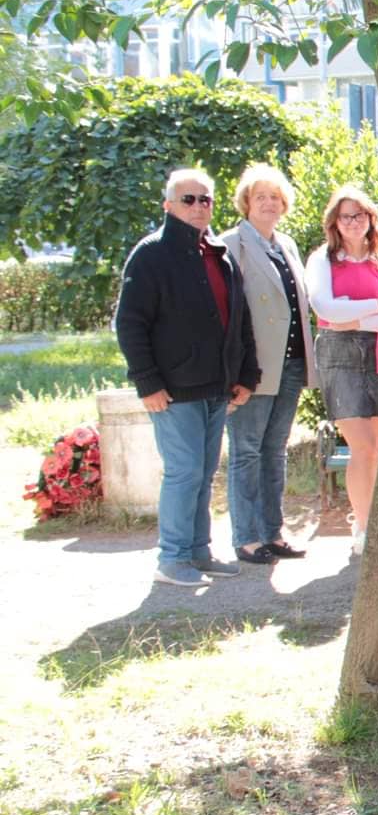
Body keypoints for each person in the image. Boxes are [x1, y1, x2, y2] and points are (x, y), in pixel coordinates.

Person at [114, 168, 259, 586]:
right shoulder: (151, 254)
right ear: (168, 205)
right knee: (183, 471)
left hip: (217, 387)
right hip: (173, 391)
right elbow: (130, 324)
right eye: (189, 199)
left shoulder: (218, 253)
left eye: (206, 199)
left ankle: (197, 552)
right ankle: (172, 558)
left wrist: (246, 375)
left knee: (204, 471)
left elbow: (239, 321)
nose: (199, 207)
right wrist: (147, 382)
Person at [223, 164, 315, 565]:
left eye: (275, 197)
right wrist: (236, 369)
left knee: (274, 449)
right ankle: (246, 538)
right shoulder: (230, 244)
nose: (268, 203)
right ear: (246, 201)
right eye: (260, 196)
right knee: (246, 450)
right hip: (253, 365)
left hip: (291, 361)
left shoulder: (287, 245)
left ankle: (272, 533)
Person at [305, 185, 378, 557]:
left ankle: (375, 521)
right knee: (360, 445)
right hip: (338, 354)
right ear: (335, 222)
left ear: (370, 220)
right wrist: (372, 307)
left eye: (360, 215)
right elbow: (323, 306)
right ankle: (363, 528)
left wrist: (350, 314)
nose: (353, 222)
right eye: (346, 216)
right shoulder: (322, 261)